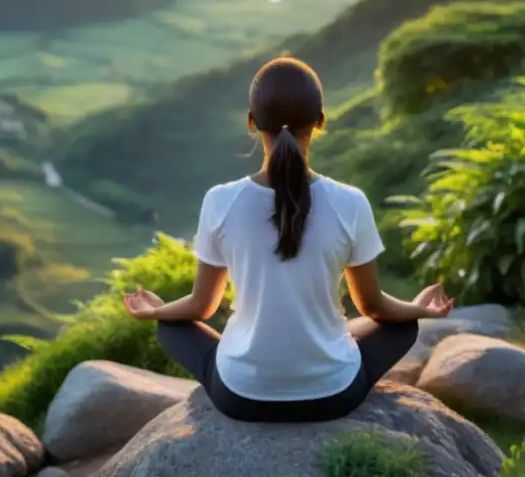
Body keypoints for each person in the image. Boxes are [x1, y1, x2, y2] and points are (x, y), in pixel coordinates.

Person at [122, 56, 455, 423]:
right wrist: (417, 309)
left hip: (241, 398)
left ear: (251, 122)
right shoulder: (350, 202)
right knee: (402, 324)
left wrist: (156, 311)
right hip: (333, 397)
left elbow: (202, 307)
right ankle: (327, 345)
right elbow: (374, 307)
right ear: (320, 122)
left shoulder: (220, 200)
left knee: (171, 326)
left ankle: (267, 357)